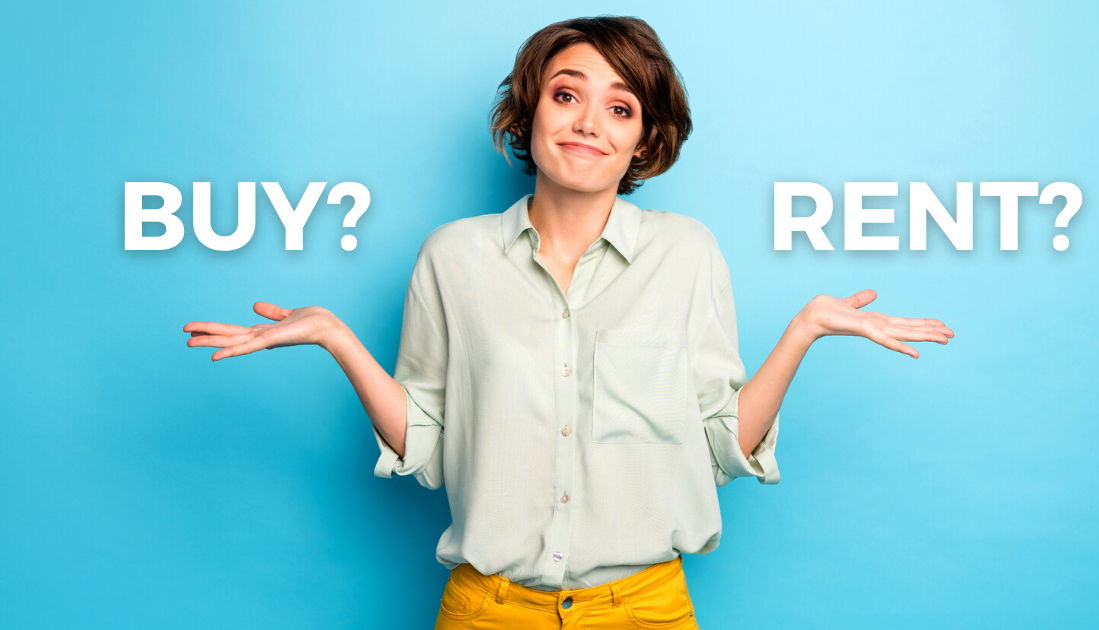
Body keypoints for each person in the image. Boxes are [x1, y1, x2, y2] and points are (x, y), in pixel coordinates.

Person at [183, 16, 954, 629]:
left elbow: (719, 447)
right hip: (488, 612)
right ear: (530, 112)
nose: (589, 122)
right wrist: (338, 341)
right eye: (566, 94)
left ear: (645, 140)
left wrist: (802, 334)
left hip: (644, 611)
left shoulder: (686, 254)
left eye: (620, 107)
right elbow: (429, 446)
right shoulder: (453, 257)